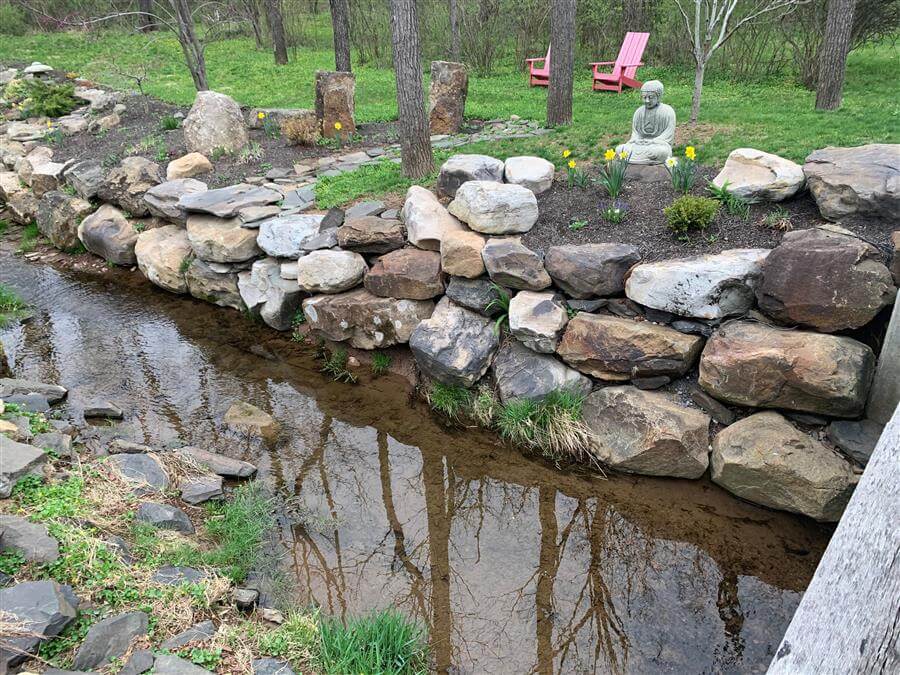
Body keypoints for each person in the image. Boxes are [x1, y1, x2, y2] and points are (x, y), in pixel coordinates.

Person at [615, 80, 676, 165]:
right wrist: (637, 140)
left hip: (657, 145)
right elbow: (635, 133)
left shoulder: (667, 111)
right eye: (644, 97)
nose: (647, 101)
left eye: (650, 97)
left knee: (662, 152)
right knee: (620, 149)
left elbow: (668, 134)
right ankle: (643, 159)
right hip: (639, 144)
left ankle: (635, 159)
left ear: (658, 97)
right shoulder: (639, 112)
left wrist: (653, 141)